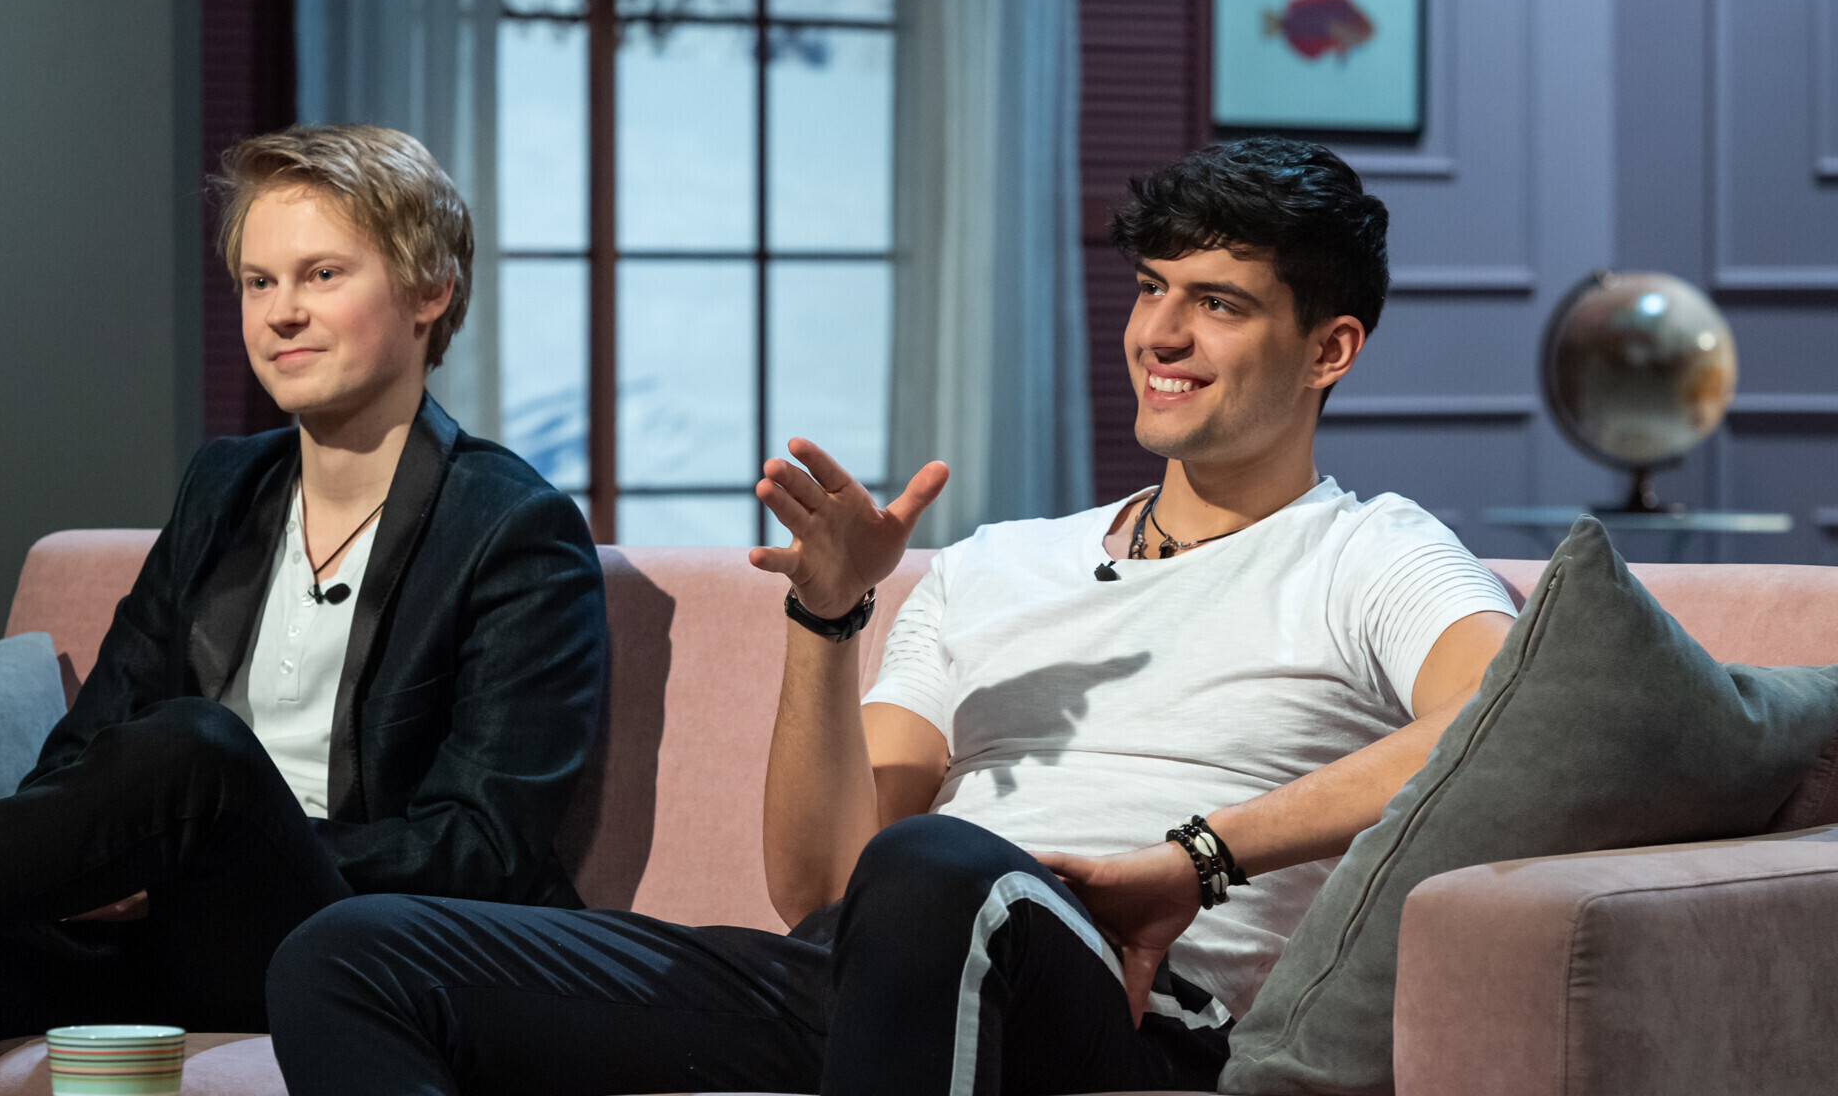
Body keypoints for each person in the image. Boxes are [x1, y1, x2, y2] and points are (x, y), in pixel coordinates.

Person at [261, 136, 1518, 1095]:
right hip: (877, 964)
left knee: (938, 870)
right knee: (352, 953)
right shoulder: (996, 564)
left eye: (1219, 303)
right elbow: (818, 879)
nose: (1162, 333)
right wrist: (830, 618)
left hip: (1125, 1005)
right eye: (1150, 289)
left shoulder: (1369, 553)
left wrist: (1196, 856)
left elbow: (1500, 722)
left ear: (1327, 349)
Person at [0, 125, 608, 1095]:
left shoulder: (516, 529)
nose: (282, 312)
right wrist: (128, 855)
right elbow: (83, 754)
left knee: (198, 750)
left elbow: (481, 849)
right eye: (259, 282)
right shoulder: (223, 487)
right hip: (168, 933)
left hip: (355, 944)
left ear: (430, 290)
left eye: (321, 275)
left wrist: (197, 842)